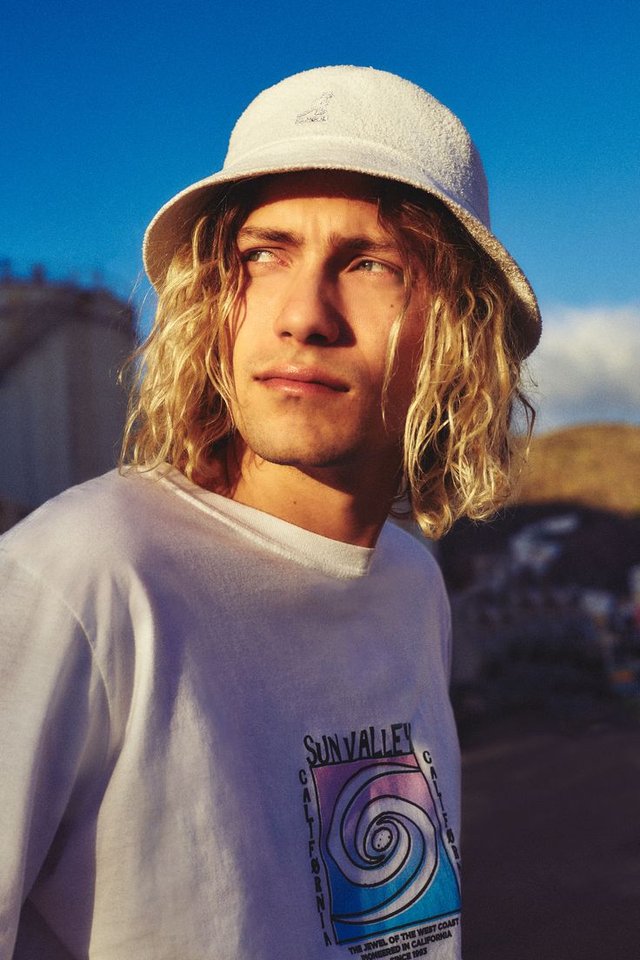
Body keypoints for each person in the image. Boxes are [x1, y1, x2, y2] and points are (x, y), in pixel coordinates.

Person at [0, 66, 539, 959]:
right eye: (264, 255)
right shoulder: (82, 578)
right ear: (216, 292)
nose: (303, 316)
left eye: (370, 264)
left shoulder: (411, 581)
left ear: (459, 324)